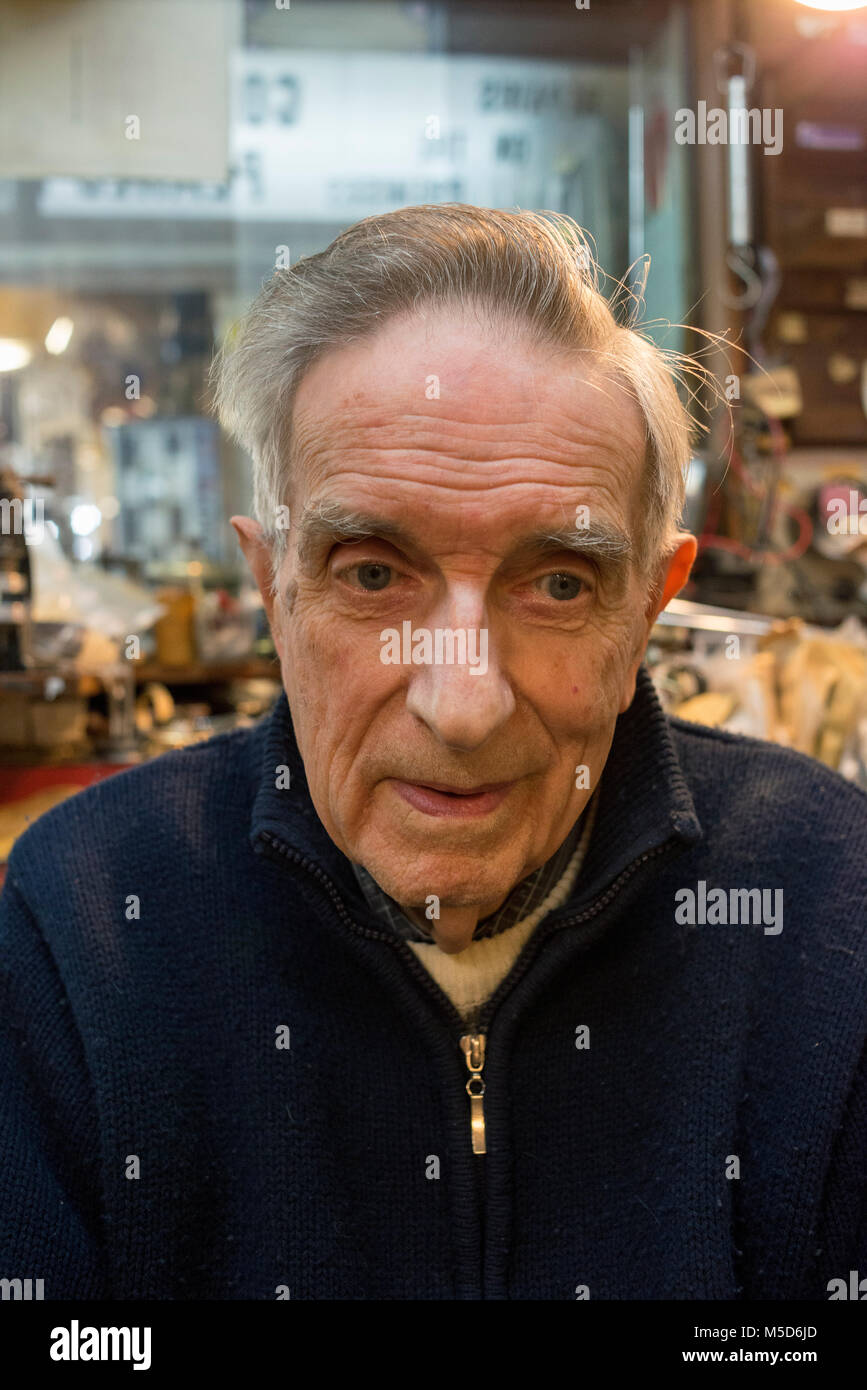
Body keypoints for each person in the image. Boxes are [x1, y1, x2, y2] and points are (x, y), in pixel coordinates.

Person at [1, 205, 865, 1301]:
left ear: (650, 603)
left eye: (558, 584)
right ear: (274, 589)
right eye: (372, 573)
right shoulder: (87, 923)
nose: (462, 705)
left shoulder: (831, 906)